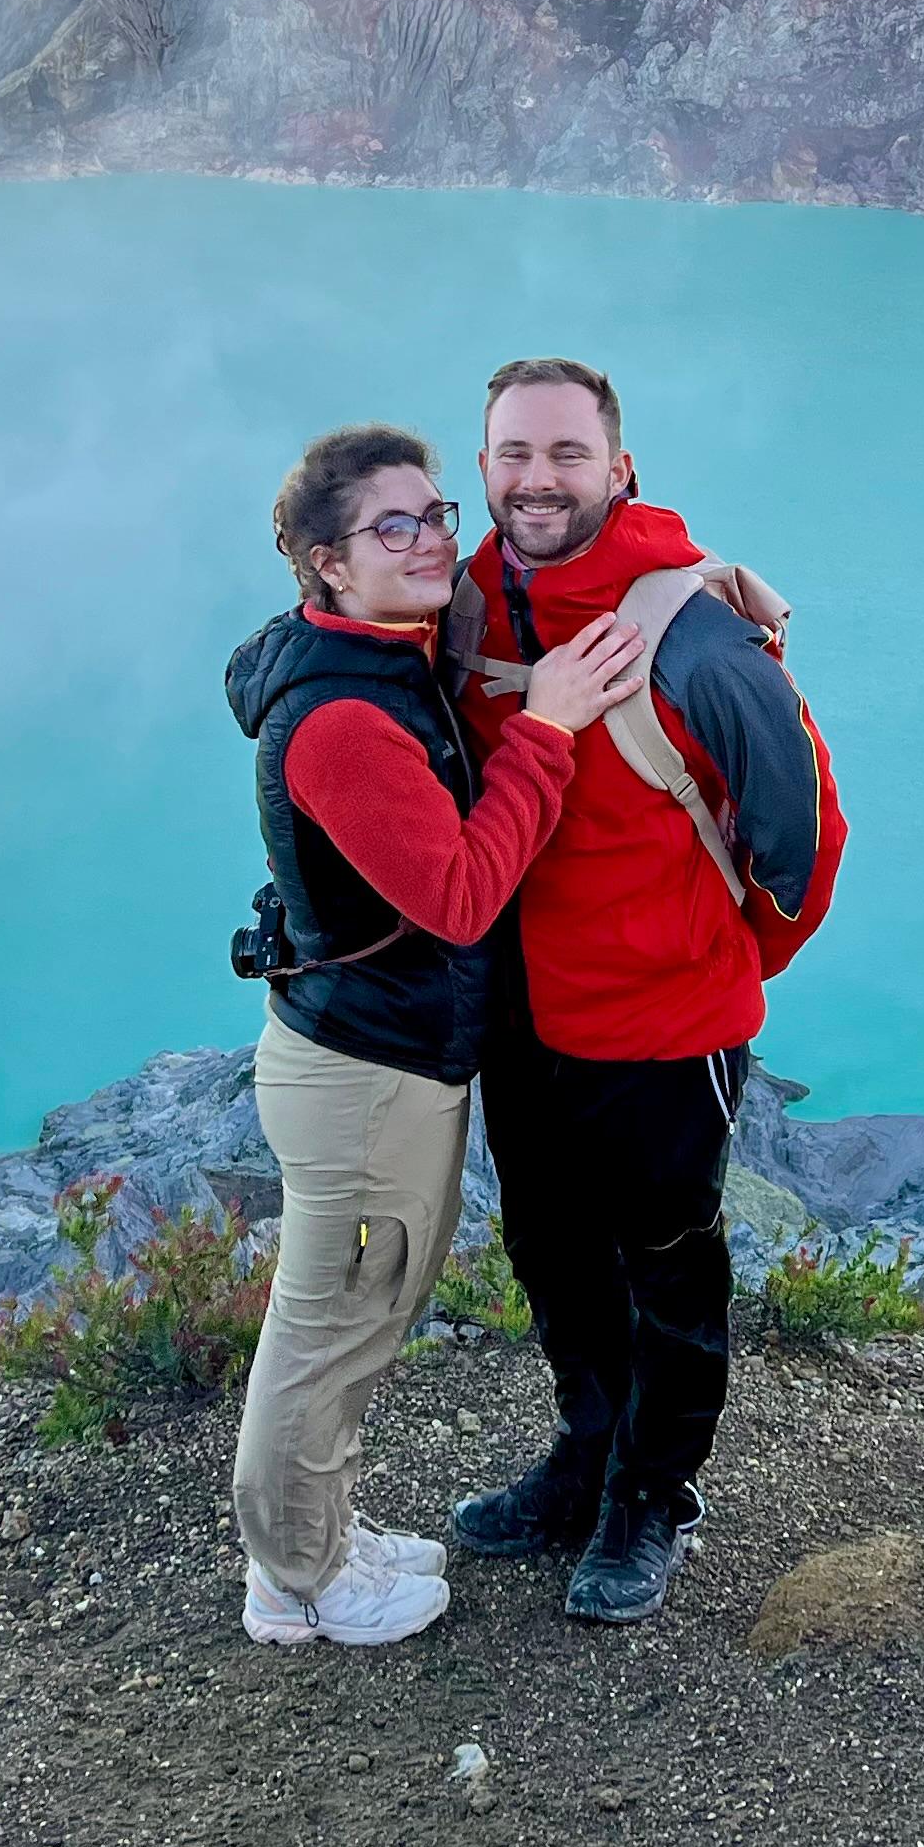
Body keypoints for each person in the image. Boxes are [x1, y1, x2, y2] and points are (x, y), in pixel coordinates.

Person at [222, 421, 648, 1648]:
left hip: (380, 1056)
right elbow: (459, 897)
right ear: (328, 564)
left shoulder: (373, 651)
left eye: (436, 514)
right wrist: (549, 730)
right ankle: (297, 1577)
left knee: (363, 1310)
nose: (431, 544)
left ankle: (315, 1532)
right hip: (367, 1078)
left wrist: (706, 581)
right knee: (331, 1327)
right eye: (393, 527)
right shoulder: (344, 721)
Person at [446, 356, 844, 1625]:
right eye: (514, 454)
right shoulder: (471, 606)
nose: (538, 479)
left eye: (567, 454)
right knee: (551, 1249)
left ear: (619, 470)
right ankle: (588, 1456)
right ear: (484, 468)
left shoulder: (692, 637)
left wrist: (719, 965)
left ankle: (653, 1498)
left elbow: (802, 834)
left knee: (669, 1268)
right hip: (525, 1020)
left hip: (667, 1027)